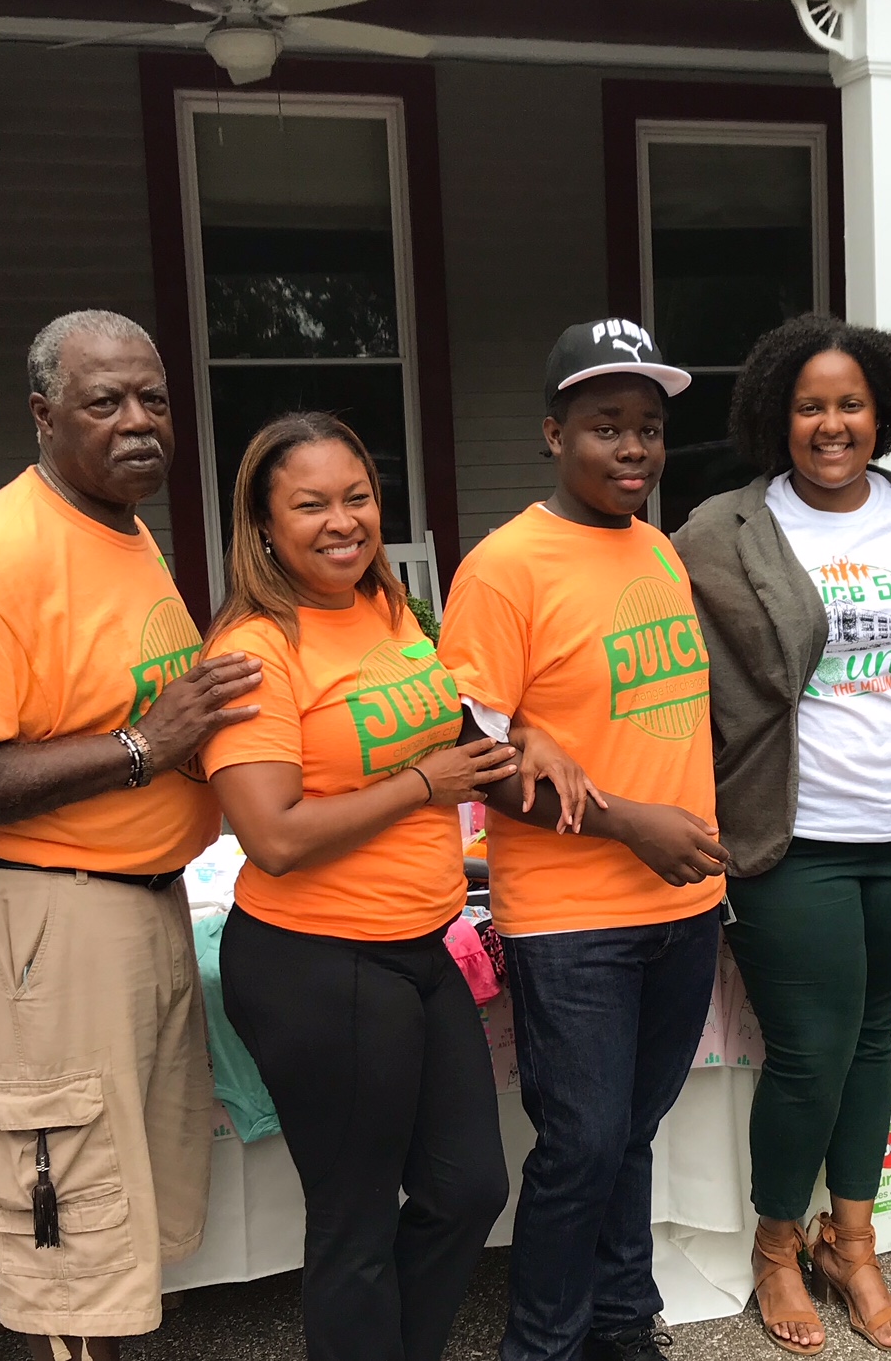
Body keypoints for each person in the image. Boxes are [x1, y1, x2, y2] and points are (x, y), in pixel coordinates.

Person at [0, 310, 264, 1361]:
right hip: (42, 907)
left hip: (132, 895)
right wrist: (145, 744)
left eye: (154, 399)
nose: (139, 422)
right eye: (105, 403)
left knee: (124, 1178)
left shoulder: (117, 523)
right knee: (68, 1189)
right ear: (45, 416)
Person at [672, 315, 891, 1354]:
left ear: (882, 411)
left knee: (867, 1041)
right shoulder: (720, 530)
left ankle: (853, 1243)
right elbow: (679, 674)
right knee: (805, 1053)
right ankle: (774, 1247)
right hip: (789, 835)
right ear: (776, 417)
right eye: (809, 405)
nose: (831, 423)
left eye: (850, 404)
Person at [199, 413, 528, 1361]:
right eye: (310, 505)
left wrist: (508, 740)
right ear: (263, 525)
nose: (343, 522)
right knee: (352, 1225)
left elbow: (439, 723)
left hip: (421, 945)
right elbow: (272, 837)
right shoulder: (256, 648)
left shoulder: (386, 608)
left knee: (468, 1188)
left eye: (358, 497)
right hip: (317, 963)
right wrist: (426, 786)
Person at [439, 318, 731, 1361]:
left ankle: (617, 1320)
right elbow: (469, 751)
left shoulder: (655, 547)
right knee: (579, 1145)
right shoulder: (504, 568)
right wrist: (622, 822)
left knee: (629, 1132)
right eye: (605, 425)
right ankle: (544, 1343)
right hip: (575, 919)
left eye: (648, 427)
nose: (633, 448)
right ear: (552, 434)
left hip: (682, 905)